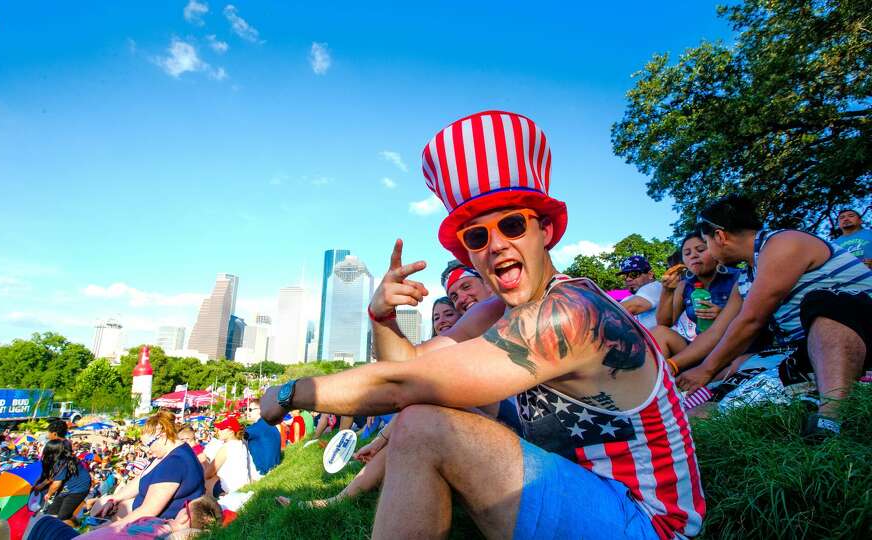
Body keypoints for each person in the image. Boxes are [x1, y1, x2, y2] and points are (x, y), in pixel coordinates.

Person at [262, 110, 703, 539]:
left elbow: (402, 384)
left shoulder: (570, 313)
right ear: (468, 253)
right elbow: (413, 363)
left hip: (646, 521)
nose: (495, 246)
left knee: (423, 426)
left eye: (512, 225)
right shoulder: (496, 313)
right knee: (424, 415)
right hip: (582, 485)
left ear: (545, 230)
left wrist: (291, 392)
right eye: (477, 236)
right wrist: (382, 318)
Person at [676, 194, 872, 437]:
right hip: (805, 350)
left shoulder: (784, 243)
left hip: (857, 329)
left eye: (705, 242)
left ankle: (831, 417)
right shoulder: (745, 278)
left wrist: (705, 369)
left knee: (825, 304)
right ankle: (795, 396)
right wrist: (674, 365)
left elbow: (752, 319)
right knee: (733, 372)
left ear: (719, 236)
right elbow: (721, 330)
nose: (709, 251)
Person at [92, 412, 204, 526]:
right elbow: (141, 479)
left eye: (149, 445)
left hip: (158, 525)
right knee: (101, 504)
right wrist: (114, 499)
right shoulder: (168, 454)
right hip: (144, 517)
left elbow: (148, 511)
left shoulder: (174, 463)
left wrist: (110, 528)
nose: (148, 451)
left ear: (162, 436)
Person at [651, 232, 741, 368]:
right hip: (700, 350)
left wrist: (724, 314)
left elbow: (754, 319)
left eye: (700, 250)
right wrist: (667, 291)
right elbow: (664, 323)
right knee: (659, 333)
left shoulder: (736, 278)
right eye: (687, 253)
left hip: (734, 349)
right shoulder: (684, 285)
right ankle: (658, 385)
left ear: (714, 249)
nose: (693, 255)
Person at [23, 495, 221, 540]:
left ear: (185, 518)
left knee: (39, 521)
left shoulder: (162, 532)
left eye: (186, 505)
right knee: (43, 520)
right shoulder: (163, 526)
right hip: (85, 535)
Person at [37, 440, 91, 526]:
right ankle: (79, 524)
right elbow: (51, 477)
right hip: (67, 488)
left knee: (62, 517)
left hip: (79, 489)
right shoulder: (58, 460)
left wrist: (48, 494)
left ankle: (76, 531)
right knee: (52, 513)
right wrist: (39, 486)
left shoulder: (61, 462)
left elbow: (56, 484)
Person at [618, 255, 663, 328]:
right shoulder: (628, 299)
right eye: (624, 276)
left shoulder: (656, 287)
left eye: (634, 274)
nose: (628, 279)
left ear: (650, 274)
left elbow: (630, 307)